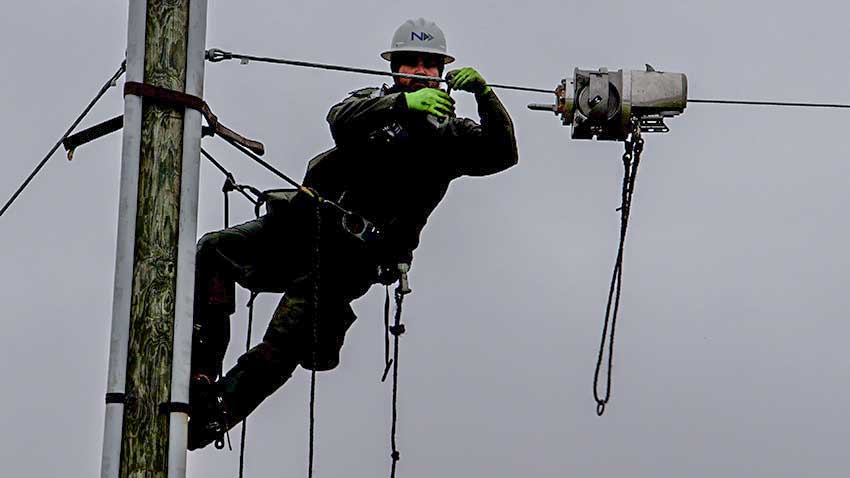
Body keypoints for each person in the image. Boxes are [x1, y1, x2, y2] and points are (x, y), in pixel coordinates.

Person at [188, 17, 518, 450]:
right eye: (410, 63)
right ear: (394, 69)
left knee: (284, 339)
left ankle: (216, 415)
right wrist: (403, 105)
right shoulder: (370, 106)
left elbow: (502, 152)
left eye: (429, 64)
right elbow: (339, 121)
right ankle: (200, 375)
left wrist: (485, 96)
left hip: (347, 259)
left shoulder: (450, 137)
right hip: (298, 230)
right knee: (214, 252)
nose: (419, 71)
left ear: (441, 72)